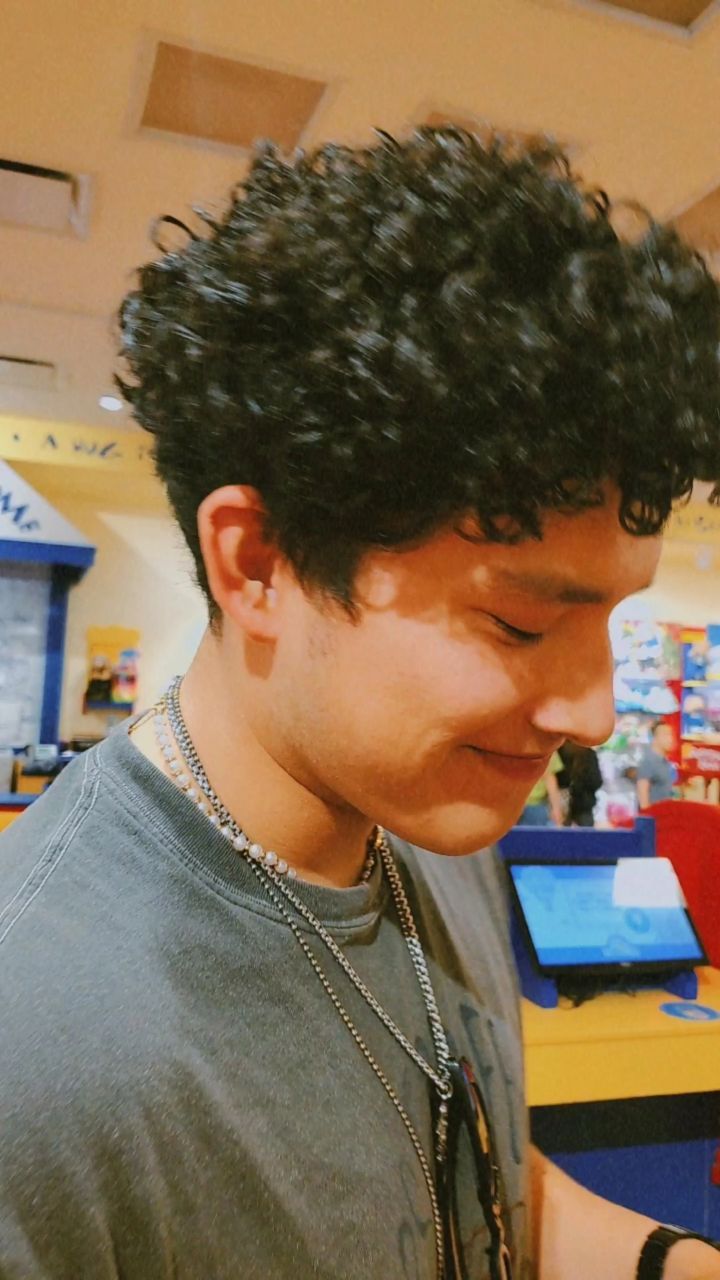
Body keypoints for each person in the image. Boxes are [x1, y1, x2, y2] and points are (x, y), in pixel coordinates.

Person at [2, 130, 720, 1280]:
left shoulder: (431, 818)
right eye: (521, 623)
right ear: (259, 564)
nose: (593, 711)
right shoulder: (39, 1042)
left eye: (611, 618)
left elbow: (474, 1178)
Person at [561, 741, 604, 827]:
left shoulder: (561, 754)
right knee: (586, 833)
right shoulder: (589, 755)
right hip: (583, 804)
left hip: (570, 803)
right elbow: (597, 781)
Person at [637, 720, 677, 810]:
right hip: (654, 815)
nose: (670, 739)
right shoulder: (648, 761)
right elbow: (642, 792)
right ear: (654, 738)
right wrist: (646, 814)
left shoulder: (665, 762)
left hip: (666, 813)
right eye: (665, 735)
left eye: (671, 735)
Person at [518, 751, 564, 826]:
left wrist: (556, 809)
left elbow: (550, 780)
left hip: (535, 806)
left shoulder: (550, 751)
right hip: (518, 807)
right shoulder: (549, 749)